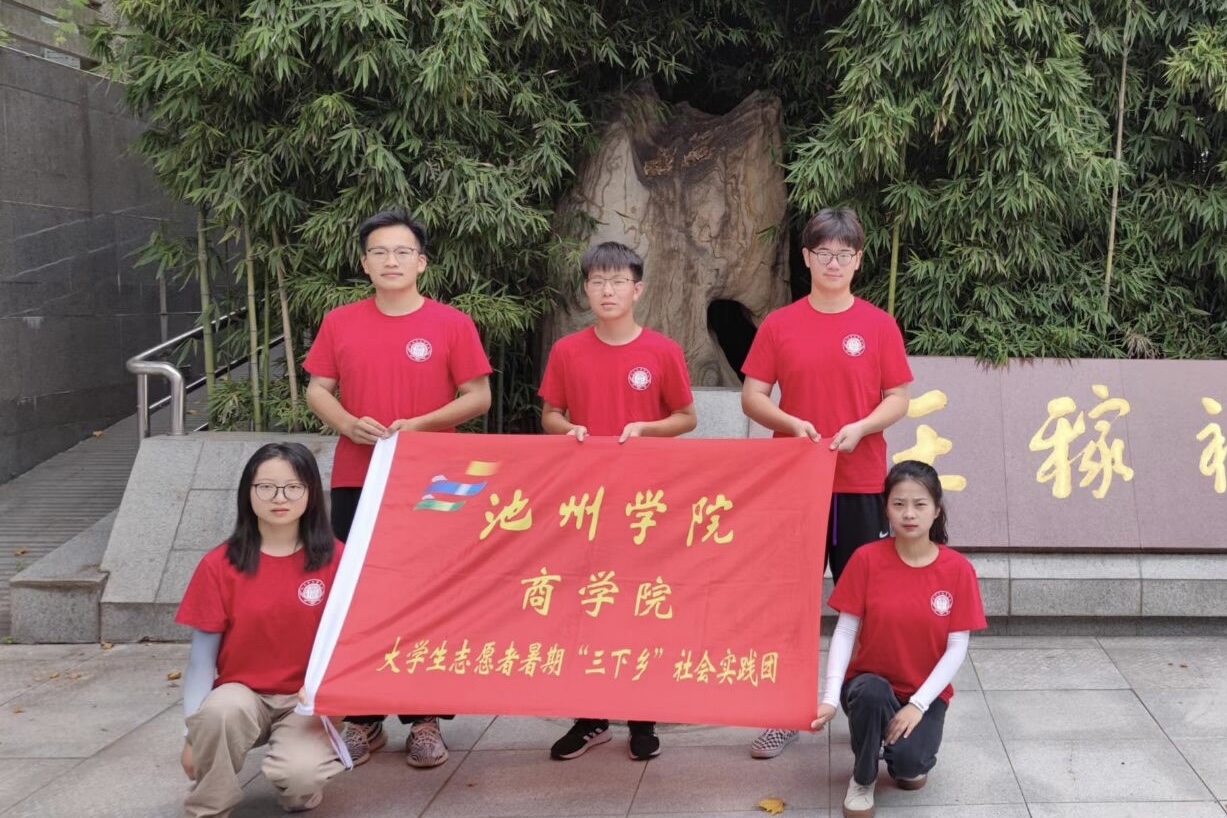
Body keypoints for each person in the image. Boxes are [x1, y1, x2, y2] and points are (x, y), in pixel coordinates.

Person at [304, 210, 493, 768]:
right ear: (364, 263)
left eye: (402, 252)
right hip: (357, 475)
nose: (391, 261)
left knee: (429, 593)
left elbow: (477, 396)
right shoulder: (340, 322)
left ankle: (425, 719)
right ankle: (364, 717)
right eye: (380, 252)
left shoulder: (451, 323)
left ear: (422, 262)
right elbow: (317, 388)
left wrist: (422, 424)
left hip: (438, 479)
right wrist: (346, 423)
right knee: (360, 594)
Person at [740, 208, 912, 759]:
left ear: (858, 260)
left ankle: (869, 714)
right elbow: (753, 396)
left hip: (860, 483)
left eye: (844, 254)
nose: (833, 263)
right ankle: (785, 713)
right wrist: (791, 424)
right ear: (806, 258)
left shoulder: (878, 325)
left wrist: (863, 427)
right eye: (823, 253)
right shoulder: (780, 324)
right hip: (796, 485)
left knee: (868, 605)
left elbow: (898, 398)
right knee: (791, 603)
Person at [538, 241, 697, 761]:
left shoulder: (662, 350)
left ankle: (642, 718)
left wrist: (646, 428)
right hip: (585, 502)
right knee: (588, 604)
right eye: (598, 281)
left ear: (637, 289)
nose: (608, 291)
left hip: (645, 504)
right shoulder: (567, 351)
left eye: (618, 281)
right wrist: (569, 429)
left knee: (640, 604)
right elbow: (551, 414)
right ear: (586, 289)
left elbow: (686, 417)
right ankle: (590, 719)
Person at [176, 442, 345, 817]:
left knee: (299, 782)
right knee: (218, 713)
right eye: (266, 487)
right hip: (242, 697)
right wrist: (192, 735)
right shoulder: (218, 565)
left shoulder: (338, 560)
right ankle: (208, 806)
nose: (279, 498)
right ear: (248, 492)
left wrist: (334, 695)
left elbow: (354, 642)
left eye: (293, 487)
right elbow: (201, 662)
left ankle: (299, 783)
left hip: (306, 699)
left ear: (311, 493)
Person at [812, 460, 986, 818]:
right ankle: (862, 779)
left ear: (936, 510)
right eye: (899, 504)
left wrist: (918, 704)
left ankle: (899, 750)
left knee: (909, 768)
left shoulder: (958, 570)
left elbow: (957, 647)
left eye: (920, 504)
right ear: (886, 508)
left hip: (924, 691)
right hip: (868, 685)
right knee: (872, 693)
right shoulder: (866, 559)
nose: (909, 514)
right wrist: (829, 698)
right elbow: (845, 630)